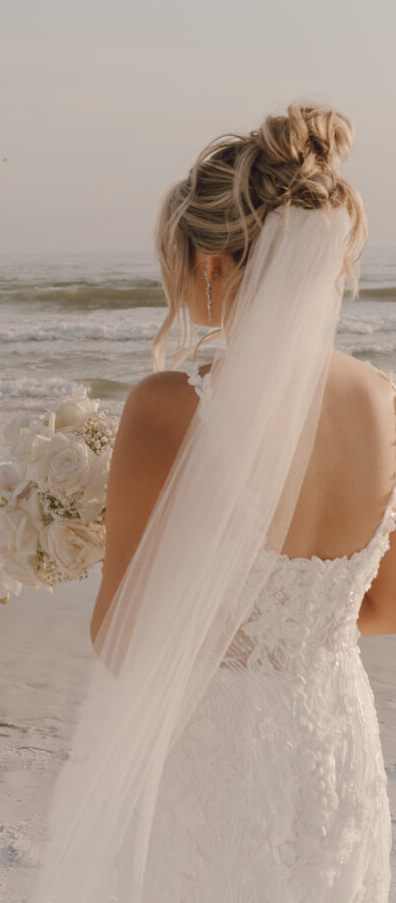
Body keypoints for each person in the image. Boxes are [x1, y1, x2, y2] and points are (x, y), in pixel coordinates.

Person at [31, 106, 395, 902]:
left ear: (213, 262)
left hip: (220, 745)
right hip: (337, 736)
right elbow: (387, 605)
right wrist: (292, 632)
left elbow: (122, 638)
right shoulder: (386, 402)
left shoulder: (171, 404)